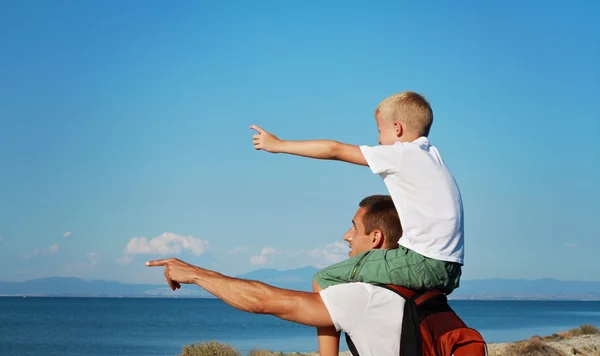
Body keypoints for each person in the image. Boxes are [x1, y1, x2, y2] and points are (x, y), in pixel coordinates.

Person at [249, 90, 463, 295]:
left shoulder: (402, 154)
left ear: (397, 128)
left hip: (422, 261)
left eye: (380, 130)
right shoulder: (432, 156)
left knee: (324, 279)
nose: (378, 140)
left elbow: (335, 150)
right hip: (450, 266)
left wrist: (278, 145)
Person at [146, 195, 406, 356]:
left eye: (354, 227)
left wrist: (195, 274)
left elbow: (264, 301)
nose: (346, 236)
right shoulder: (412, 287)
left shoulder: (367, 296)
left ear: (375, 238)